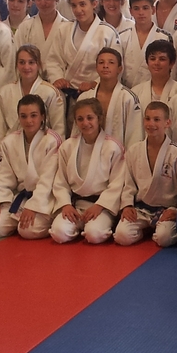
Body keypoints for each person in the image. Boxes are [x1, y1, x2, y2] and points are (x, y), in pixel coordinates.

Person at [0, 94, 61, 240]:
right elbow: (1, 176)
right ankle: (18, 219)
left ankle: (37, 220)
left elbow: (48, 180)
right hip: (21, 198)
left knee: (28, 231)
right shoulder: (9, 141)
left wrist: (34, 206)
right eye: (23, 116)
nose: (28, 121)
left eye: (33, 115)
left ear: (42, 116)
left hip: (44, 199)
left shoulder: (52, 140)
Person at [48, 98, 126, 244]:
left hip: (101, 206)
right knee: (59, 233)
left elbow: (117, 183)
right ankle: (79, 225)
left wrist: (99, 206)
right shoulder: (67, 146)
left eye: (90, 118)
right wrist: (66, 204)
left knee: (94, 234)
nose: (85, 123)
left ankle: (95, 225)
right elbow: (61, 181)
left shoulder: (113, 147)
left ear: (99, 119)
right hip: (75, 205)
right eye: (80, 119)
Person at [113, 102, 177, 248]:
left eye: (156, 119)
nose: (151, 124)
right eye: (147, 119)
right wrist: (127, 205)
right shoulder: (134, 150)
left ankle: (159, 228)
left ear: (168, 123)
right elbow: (128, 184)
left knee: (164, 238)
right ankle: (146, 229)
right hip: (141, 209)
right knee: (122, 236)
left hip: (167, 210)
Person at [49, 0, 121, 104]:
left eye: (82, 4)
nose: (78, 10)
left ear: (94, 4)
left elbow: (115, 66)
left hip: (96, 93)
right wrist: (58, 78)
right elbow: (54, 60)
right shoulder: (63, 29)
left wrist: (94, 83)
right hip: (67, 93)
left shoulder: (107, 32)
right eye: (74, 5)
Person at [0, 44, 67, 156]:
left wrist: (57, 154)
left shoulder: (51, 92)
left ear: (39, 65)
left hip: (42, 149)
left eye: (31, 62)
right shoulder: (5, 92)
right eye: (22, 62)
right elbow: (0, 127)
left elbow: (58, 128)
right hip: (11, 149)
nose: (26, 67)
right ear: (16, 65)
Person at [75, 48, 143, 149]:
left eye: (111, 62)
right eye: (101, 62)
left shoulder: (128, 98)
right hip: (87, 152)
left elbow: (135, 135)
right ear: (96, 67)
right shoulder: (85, 97)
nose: (105, 66)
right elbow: (76, 131)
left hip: (117, 156)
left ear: (120, 69)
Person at [118, 0, 172, 90]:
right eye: (136, 8)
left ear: (153, 10)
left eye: (145, 8)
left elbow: (170, 70)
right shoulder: (122, 37)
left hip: (154, 90)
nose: (141, 12)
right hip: (126, 91)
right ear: (131, 11)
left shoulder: (164, 37)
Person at [14, 0, 68, 73]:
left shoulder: (67, 27)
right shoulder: (25, 27)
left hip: (59, 81)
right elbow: (17, 56)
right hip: (29, 78)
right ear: (33, 0)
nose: (43, 3)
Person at [132, 39, 177, 111]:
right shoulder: (135, 92)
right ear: (147, 63)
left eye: (162, 59)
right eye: (152, 59)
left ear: (172, 63)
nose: (156, 63)